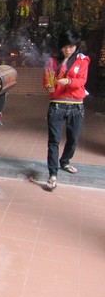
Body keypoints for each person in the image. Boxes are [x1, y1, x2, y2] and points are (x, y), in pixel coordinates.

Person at [42, 30, 90, 191]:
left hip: (76, 105)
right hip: (56, 105)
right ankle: (52, 174)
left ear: (76, 46)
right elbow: (47, 79)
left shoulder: (83, 60)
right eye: (65, 47)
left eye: (71, 46)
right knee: (54, 140)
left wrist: (68, 80)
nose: (68, 50)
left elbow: (82, 81)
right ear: (61, 47)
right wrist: (48, 86)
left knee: (73, 139)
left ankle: (65, 161)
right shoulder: (53, 61)